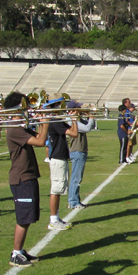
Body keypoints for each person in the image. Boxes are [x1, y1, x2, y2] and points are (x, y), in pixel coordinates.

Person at [3, 92, 49, 267]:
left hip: (28, 175)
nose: (28, 109)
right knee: (23, 217)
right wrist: (44, 121)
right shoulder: (14, 128)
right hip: (21, 177)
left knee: (28, 216)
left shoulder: (20, 127)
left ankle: (20, 250)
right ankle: (15, 253)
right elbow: (41, 141)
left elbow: (40, 139)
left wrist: (44, 122)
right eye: (24, 106)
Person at [46, 96, 78, 229]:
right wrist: (75, 120)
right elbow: (74, 133)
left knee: (59, 190)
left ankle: (56, 218)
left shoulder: (57, 120)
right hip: (58, 158)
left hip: (60, 157)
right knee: (56, 190)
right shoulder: (55, 122)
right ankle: (53, 220)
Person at [67, 101, 95, 209]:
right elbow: (87, 128)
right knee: (76, 178)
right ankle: (73, 201)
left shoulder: (77, 120)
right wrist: (91, 116)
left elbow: (89, 126)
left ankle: (75, 200)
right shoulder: (71, 121)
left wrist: (90, 115)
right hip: (77, 151)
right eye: (78, 108)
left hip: (80, 151)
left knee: (77, 177)